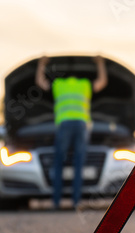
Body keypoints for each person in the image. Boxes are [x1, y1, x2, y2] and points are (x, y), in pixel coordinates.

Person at [36, 55, 108, 210]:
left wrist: (41, 64)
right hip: (81, 125)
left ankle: (56, 202)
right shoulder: (84, 84)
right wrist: (100, 64)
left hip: (64, 125)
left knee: (59, 162)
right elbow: (102, 82)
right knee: (78, 163)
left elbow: (40, 83)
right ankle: (76, 202)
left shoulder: (59, 84)